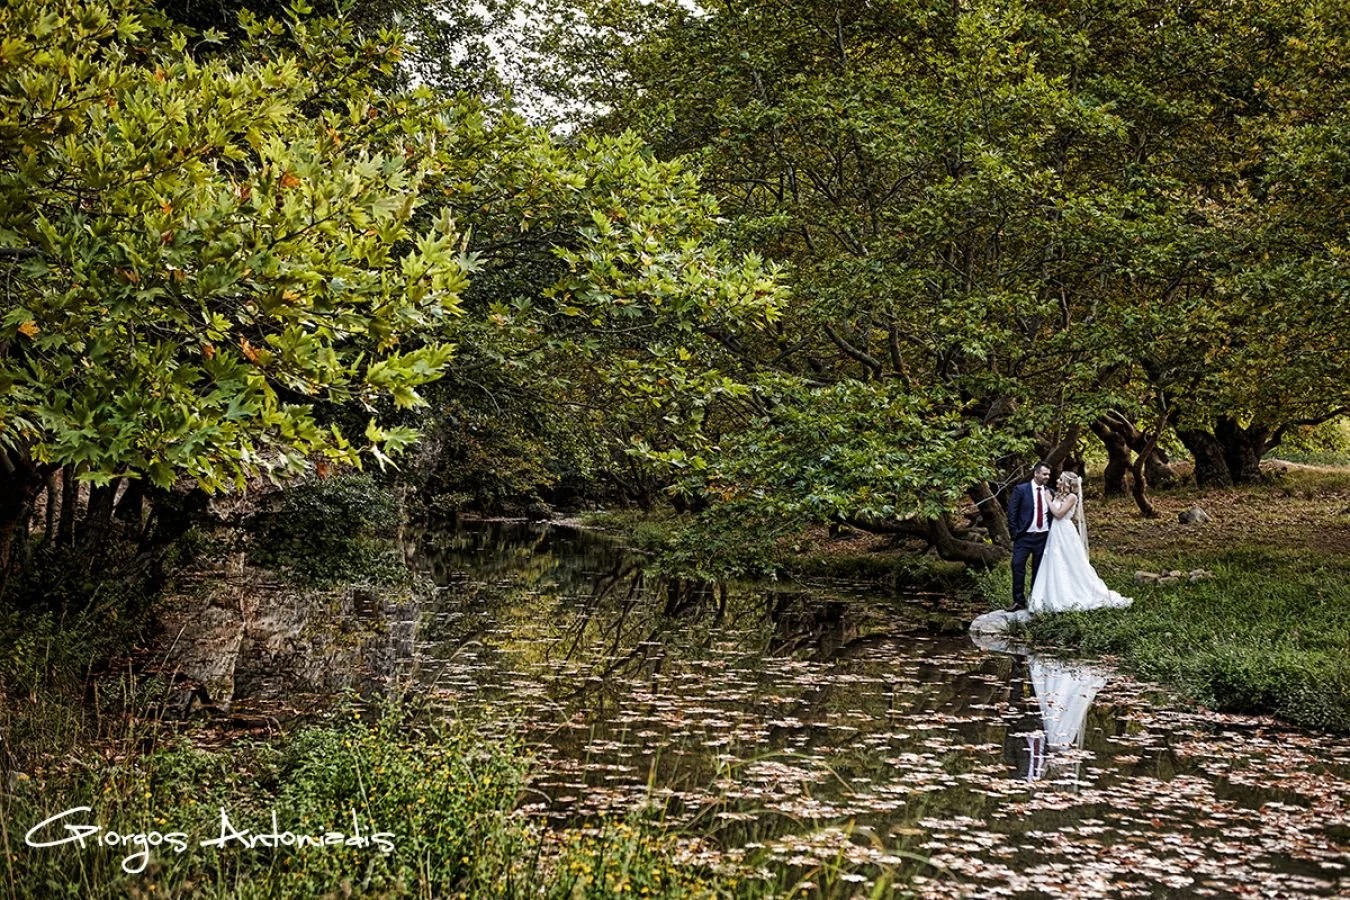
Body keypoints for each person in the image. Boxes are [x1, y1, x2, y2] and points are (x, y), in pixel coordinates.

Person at [1028, 472, 1133, 613]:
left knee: (1069, 561)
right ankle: (1051, 595)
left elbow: (1059, 514)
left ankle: (1073, 595)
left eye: (1060, 479)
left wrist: (1047, 500)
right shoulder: (1059, 496)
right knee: (1054, 560)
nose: (1057, 481)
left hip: (1065, 531)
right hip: (1055, 532)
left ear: (1066, 483)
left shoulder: (1072, 497)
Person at [1005, 462, 1054, 612]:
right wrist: (1015, 532)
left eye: (1048, 475)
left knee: (1038, 570)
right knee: (1017, 565)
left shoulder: (1050, 492)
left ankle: (1035, 600)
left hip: (1043, 537)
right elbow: (1012, 512)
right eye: (1045, 474)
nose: (1047, 477)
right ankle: (1018, 601)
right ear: (1036, 473)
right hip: (1024, 536)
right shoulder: (1021, 490)